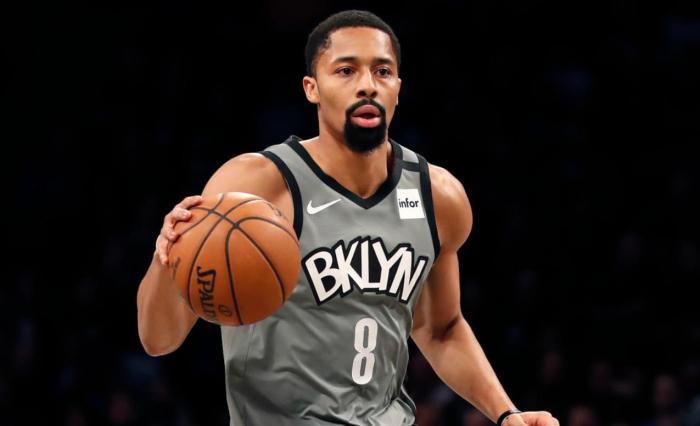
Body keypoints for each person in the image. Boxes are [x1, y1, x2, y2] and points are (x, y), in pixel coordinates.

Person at [136, 9, 560, 426]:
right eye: (346, 71)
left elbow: (441, 329)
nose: (367, 85)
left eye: (382, 71)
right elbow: (158, 340)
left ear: (398, 88)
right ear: (312, 88)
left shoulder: (439, 196)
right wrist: (165, 259)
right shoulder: (256, 185)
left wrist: (507, 413)